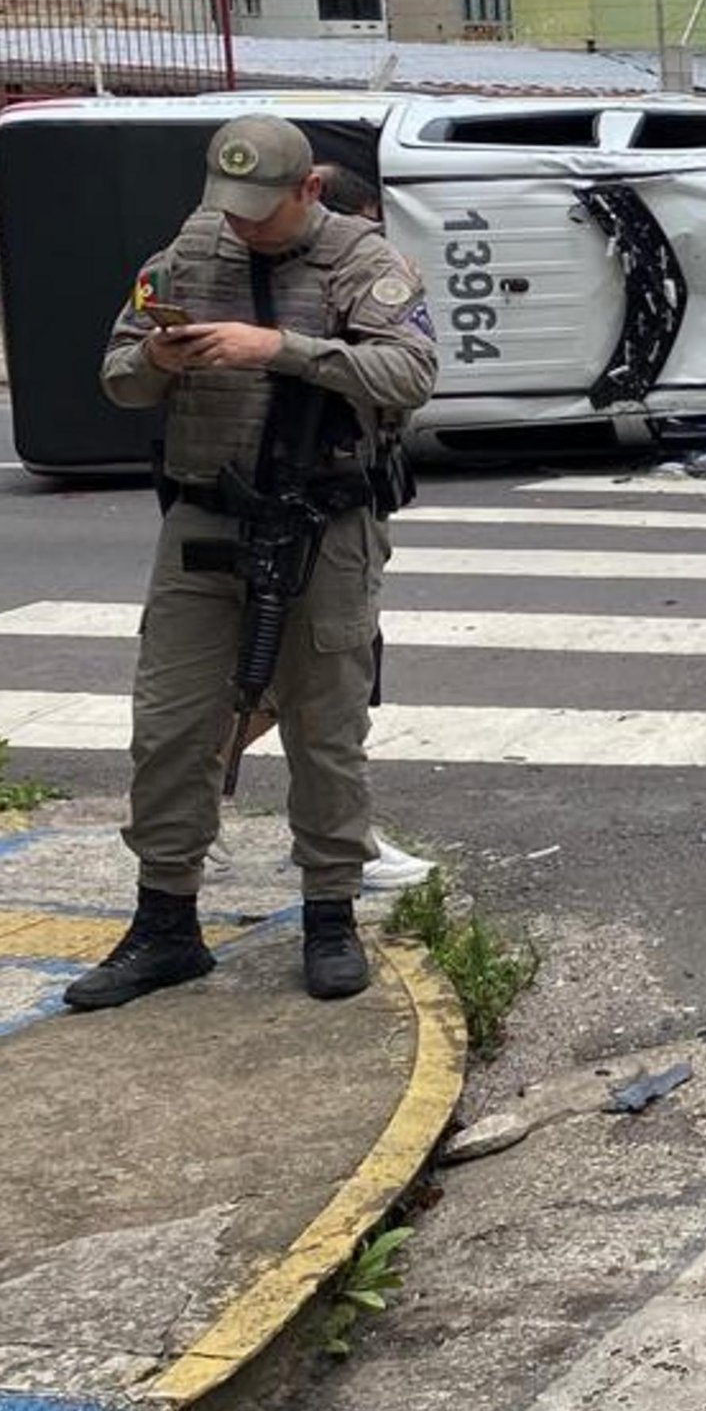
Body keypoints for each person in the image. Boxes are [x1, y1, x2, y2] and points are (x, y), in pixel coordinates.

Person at [68, 115, 437, 1009]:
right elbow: (118, 376)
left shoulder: (362, 260)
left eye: (261, 211)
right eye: (230, 208)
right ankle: (165, 924)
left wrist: (280, 350)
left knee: (325, 728)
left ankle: (330, 916)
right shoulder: (193, 248)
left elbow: (410, 373)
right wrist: (157, 355)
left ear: (308, 189)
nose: (242, 226)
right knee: (170, 725)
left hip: (325, 521)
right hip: (206, 519)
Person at [294, 163, 437, 895]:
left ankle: (213, 811)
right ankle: (341, 843)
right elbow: (399, 380)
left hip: (346, 504)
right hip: (319, 512)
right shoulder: (338, 277)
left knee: (297, 684)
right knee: (314, 687)